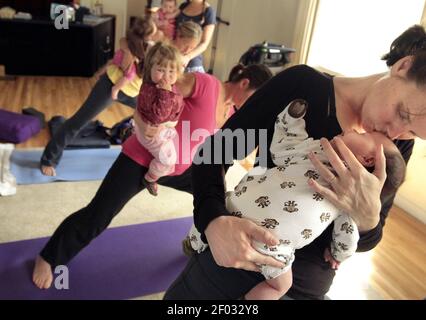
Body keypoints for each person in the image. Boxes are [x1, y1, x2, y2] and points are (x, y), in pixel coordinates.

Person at [164, 25, 426, 300]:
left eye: (413, 133)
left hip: (301, 289)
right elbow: (215, 152)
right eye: (402, 113)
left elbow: (368, 238)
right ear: (403, 66)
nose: (396, 132)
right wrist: (214, 221)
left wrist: (368, 215)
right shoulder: (303, 86)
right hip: (237, 258)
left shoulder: (394, 148)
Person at [31, 63, 273, 290]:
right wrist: (143, 122)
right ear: (244, 83)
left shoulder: (230, 111)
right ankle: (49, 256)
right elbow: (154, 92)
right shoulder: (204, 84)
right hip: (142, 159)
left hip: (175, 168)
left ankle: (197, 241)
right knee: (98, 215)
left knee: (216, 199)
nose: (253, 104)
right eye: (255, 96)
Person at [183, 100, 406, 300]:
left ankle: (196, 240)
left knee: (214, 219)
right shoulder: (320, 155)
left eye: (363, 136)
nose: (356, 131)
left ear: (366, 159)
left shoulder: (335, 178)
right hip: (270, 246)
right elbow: (347, 236)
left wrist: (291, 119)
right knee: (280, 285)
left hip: (241, 216)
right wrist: (338, 254)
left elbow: (285, 145)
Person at [40, 17, 156, 177]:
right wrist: (129, 52)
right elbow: (124, 54)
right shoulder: (129, 45)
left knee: (152, 117)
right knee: (78, 121)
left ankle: (145, 158)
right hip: (110, 86)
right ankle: (48, 160)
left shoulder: (151, 48)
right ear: (148, 35)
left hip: (132, 92)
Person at [134, 42, 184, 196]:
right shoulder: (153, 89)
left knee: (177, 154)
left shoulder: (168, 85)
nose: (166, 76)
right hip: (152, 130)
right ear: (150, 69)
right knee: (168, 160)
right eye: (161, 70)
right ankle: (150, 178)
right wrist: (164, 92)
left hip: (164, 128)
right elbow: (158, 116)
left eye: (171, 71)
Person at [175, 0, 216, 73]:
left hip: (192, 63)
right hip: (175, 57)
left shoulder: (208, 11)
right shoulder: (184, 5)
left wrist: (187, 57)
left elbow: (204, 43)